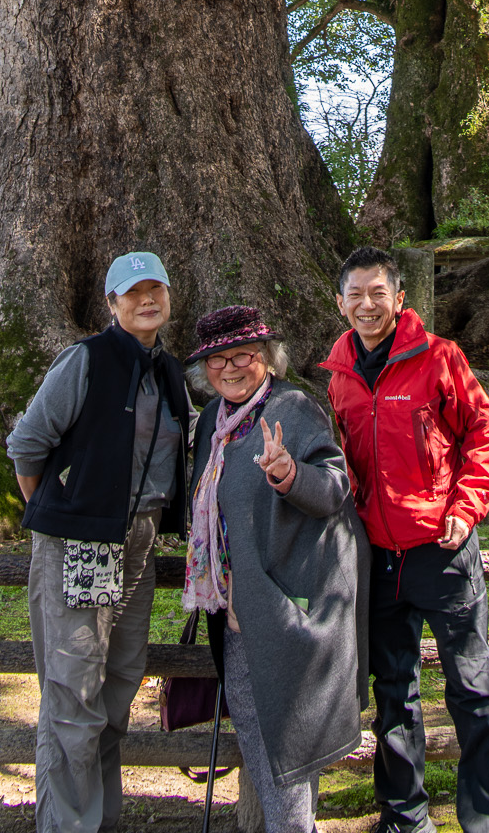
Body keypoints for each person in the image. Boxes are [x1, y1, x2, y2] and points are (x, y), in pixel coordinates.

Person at [322, 246, 489, 833]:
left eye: (377, 293)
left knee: (473, 688)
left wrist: (468, 506)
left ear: (400, 298)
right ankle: (405, 817)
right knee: (393, 694)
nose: (366, 305)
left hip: (442, 551)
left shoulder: (440, 359)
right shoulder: (339, 378)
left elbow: (483, 435)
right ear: (340, 303)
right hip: (378, 558)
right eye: (354, 295)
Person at [8, 252, 191, 833]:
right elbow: (28, 446)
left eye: (155, 289)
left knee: (119, 680)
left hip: (139, 537)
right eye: (131, 292)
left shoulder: (168, 371)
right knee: (74, 687)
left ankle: (100, 818)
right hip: (81, 541)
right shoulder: (84, 360)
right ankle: (67, 825)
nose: (146, 300)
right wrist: (65, 511)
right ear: (111, 304)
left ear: (167, 297)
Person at [184, 303, 366, 833]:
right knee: (260, 735)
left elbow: (334, 487)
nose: (231, 367)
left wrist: (289, 475)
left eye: (245, 354)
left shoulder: (292, 407)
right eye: (219, 358)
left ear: (267, 358)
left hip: (287, 604)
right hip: (235, 605)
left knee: (282, 738)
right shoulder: (211, 427)